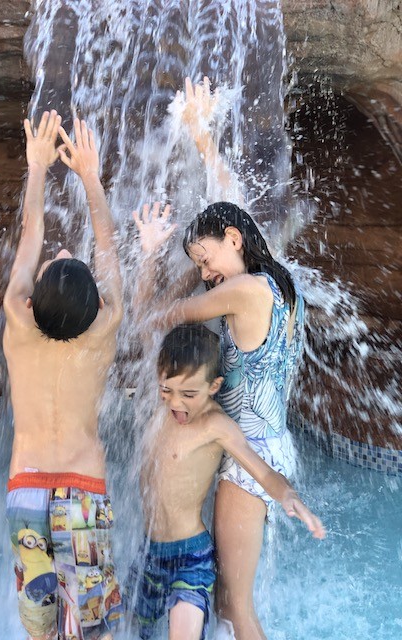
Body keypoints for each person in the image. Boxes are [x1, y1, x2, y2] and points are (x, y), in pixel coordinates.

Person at [131, 77, 311, 640]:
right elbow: (240, 208)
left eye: (205, 257)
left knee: (235, 606)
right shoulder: (273, 278)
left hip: (249, 455)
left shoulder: (245, 291)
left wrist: (151, 261)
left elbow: (162, 318)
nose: (205, 270)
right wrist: (201, 137)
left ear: (233, 240)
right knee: (230, 599)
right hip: (265, 444)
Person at [3, 110, 123, 640]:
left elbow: (34, 231)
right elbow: (109, 248)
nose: (61, 251)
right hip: (81, 491)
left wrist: (37, 167)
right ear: (95, 304)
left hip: (26, 492)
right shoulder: (104, 328)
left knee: (39, 622)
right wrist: (91, 180)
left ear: (35, 296)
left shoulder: (17, 319)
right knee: (87, 625)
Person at [129, 324, 324, 640]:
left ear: (214, 386)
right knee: (141, 632)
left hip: (190, 556)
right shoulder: (161, 410)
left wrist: (288, 495)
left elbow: (260, 470)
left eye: (189, 393)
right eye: (166, 389)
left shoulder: (215, 425)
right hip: (149, 552)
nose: (176, 402)